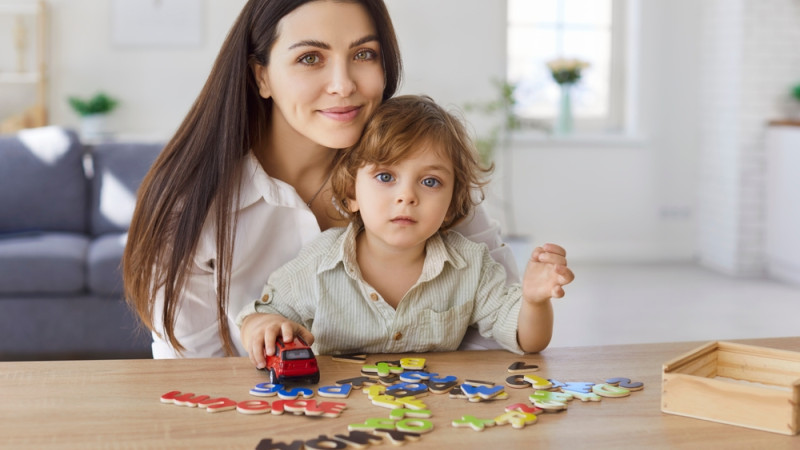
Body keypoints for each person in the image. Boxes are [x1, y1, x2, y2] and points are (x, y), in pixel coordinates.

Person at [122, 0, 520, 359]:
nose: (343, 85)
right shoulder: (189, 208)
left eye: (364, 54)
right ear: (261, 76)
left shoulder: (424, 173)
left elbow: (499, 332)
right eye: (310, 58)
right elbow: (194, 373)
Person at [237, 95, 574, 368]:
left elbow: (528, 341)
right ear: (352, 193)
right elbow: (263, 315)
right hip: (339, 416)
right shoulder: (319, 263)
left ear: (452, 206)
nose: (407, 196)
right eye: (385, 177)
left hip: (433, 420)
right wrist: (262, 326)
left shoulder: (472, 266)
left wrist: (534, 300)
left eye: (430, 182)